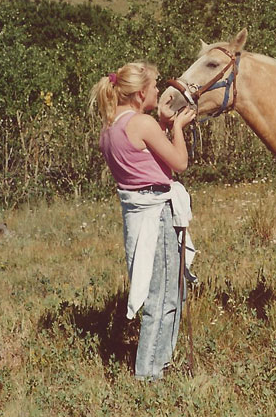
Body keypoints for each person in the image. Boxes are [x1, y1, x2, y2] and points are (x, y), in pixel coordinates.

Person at [89, 62, 197, 381]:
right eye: (153, 88)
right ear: (140, 94)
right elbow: (178, 162)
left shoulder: (111, 126)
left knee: (165, 288)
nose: (158, 92)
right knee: (163, 295)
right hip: (157, 213)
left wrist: (162, 124)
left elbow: (145, 159)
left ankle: (160, 361)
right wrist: (176, 128)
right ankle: (149, 374)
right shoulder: (142, 123)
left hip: (138, 210)